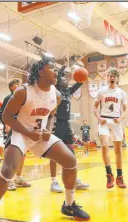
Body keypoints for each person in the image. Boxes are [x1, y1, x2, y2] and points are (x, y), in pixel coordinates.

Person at [0, 55, 90, 222]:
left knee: (70, 161)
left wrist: (49, 129)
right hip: (21, 133)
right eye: (51, 67)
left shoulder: (57, 95)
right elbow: (6, 116)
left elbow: (51, 114)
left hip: (40, 135)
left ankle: (69, 205)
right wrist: (28, 132)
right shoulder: (23, 91)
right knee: (8, 171)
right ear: (40, 71)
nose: (56, 70)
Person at [49, 63, 89, 193]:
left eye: (68, 78)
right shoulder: (55, 90)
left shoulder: (68, 91)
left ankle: (75, 179)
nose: (67, 79)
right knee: (54, 155)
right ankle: (54, 182)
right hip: (56, 123)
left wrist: (83, 72)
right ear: (58, 81)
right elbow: (58, 75)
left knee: (71, 153)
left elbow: (80, 82)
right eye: (64, 78)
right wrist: (64, 66)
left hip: (66, 124)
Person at [93, 67, 128, 189]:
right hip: (104, 120)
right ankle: (109, 174)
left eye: (114, 76)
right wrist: (99, 118)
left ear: (117, 78)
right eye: (110, 76)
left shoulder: (122, 93)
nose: (112, 78)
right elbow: (94, 108)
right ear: (106, 78)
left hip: (116, 121)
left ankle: (119, 177)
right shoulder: (101, 91)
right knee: (104, 145)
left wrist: (120, 119)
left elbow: (126, 110)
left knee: (118, 150)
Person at [0, 78, 30, 191]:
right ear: (12, 87)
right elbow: (1, 113)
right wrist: (7, 124)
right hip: (11, 127)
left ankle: (18, 178)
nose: (19, 86)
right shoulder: (8, 98)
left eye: (19, 84)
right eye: (17, 84)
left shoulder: (23, 98)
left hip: (21, 128)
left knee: (23, 154)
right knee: (10, 154)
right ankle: (7, 180)